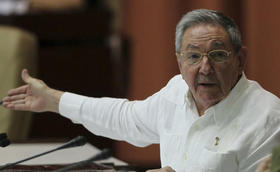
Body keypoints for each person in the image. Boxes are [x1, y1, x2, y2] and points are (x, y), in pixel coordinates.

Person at [2, 9, 280, 172]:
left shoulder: (269, 119)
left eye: (218, 55)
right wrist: (54, 100)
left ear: (240, 60)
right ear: (179, 61)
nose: (204, 68)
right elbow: (125, 118)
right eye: (193, 56)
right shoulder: (176, 92)